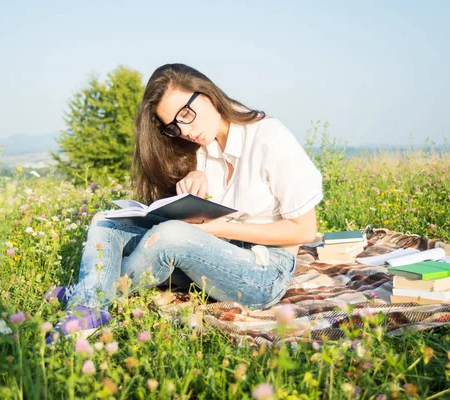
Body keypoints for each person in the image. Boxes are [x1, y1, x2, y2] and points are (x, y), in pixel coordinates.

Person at [47, 63, 323, 341]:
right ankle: (88, 303)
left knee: (170, 236)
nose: (185, 130)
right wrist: (195, 177)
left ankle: (87, 297)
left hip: (263, 272)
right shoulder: (204, 145)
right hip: (213, 251)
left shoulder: (268, 138)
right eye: (174, 126)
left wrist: (217, 229)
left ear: (206, 94)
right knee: (106, 222)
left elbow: (304, 231)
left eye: (186, 115)